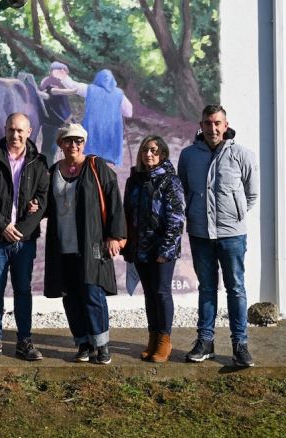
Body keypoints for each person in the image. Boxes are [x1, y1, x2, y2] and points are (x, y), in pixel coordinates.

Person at [178, 105, 258, 367]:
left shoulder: (242, 155)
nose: (212, 128)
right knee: (207, 287)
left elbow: (251, 194)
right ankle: (205, 341)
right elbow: (183, 190)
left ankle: (240, 345)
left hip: (232, 235)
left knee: (236, 288)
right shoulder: (188, 156)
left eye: (217, 123)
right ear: (200, 125)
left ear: (226, 125)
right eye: (207, 123)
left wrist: (234, 215)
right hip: (200, 233)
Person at [43, 123, 126, 365]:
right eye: (68, 140)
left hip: (91, 243)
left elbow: (113, 199)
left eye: (78, 140)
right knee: (70, 295)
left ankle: (101, 345)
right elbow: (47, 204)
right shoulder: (53, 171)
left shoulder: (96, 167)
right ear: (60, 144)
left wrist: (115, 235)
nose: (73, 145)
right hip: (62, 245)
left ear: (84, 143)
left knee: (92, 293)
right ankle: (82, 343)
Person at [0, 112, 50, 362]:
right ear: (5, 130)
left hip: (24, 241)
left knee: (23, 290)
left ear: (29, 132)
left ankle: (24, 341)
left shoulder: (39, 162)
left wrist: (22, 231)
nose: (15, 135)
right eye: (11, 130)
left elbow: (42, 200)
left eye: (20, 130)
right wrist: (3, 226)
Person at [123, 135, 185, 363]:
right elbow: (127, 213)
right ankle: (153, 338)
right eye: (145, 150)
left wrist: (166, 250)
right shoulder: (134, 180)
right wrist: (128, 245)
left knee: (161, 292)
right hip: (140, 249)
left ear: (162, 154)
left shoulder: (170, 180)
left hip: (161, 250)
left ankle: (164, 340)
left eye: (153, 150)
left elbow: (176, 218)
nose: (148, 154)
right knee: (149, 294)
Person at [63, 69, 133, 166]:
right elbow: (128, 113)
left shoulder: (90, 89)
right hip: (111, 129)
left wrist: (63, 77)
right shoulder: (119, 94)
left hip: (93, 127)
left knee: (90, 155)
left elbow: (73, 86)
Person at [38, 62, 75, 166]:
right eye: (61, 71)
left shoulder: (56, 82)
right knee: (49, 148)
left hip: (54, 121)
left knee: (50, 147)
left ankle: (46, 166)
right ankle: (46, 168)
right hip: (53, 121)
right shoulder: (50, 82)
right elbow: (57, 99)